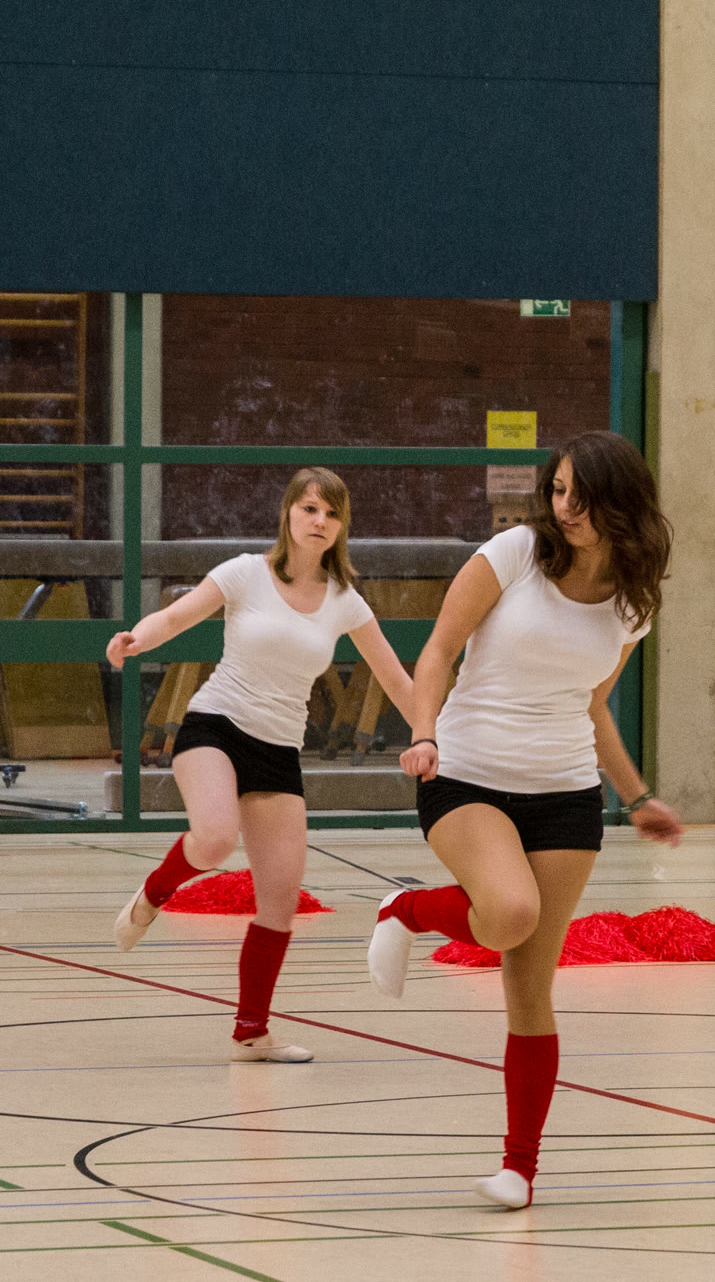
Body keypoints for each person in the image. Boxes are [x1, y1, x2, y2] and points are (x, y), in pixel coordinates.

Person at [366, 431, 685, 1210]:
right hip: (463, 772)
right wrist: (423, 733)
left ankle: (520, 1169)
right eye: (559, 489)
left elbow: (593, 706)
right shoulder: (513, 554)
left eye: (581, 495)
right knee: (509, 912)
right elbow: (438, 652)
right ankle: (407, 909)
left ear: (621, 503)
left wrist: (637, 796)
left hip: (567, 793)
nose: (564, 507)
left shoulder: (634, 601)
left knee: (531, 987)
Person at [109, 468, 414, 1063]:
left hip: (278, 751)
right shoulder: (245, 572)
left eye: (331, 513)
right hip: (215, 727)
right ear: (288, 514)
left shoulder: (345, 601)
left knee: (280, 899)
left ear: (342, 526)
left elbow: (396, 679)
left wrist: (434, 734)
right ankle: (152, 894)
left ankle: (251, 1032)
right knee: (215, 838)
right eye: (309, 509)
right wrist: (136, 639)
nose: (319, 521)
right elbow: (176, 617)